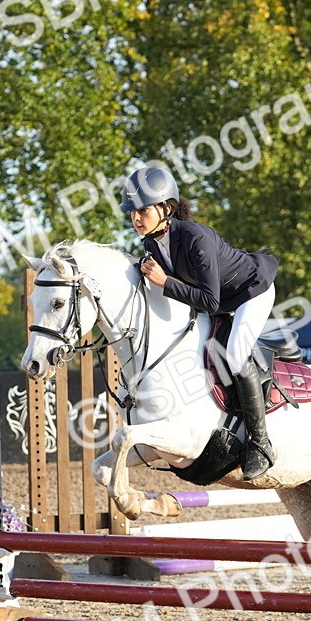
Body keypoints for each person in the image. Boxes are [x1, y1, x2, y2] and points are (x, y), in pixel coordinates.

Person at [119, 165, 279, 480]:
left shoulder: (196, 237)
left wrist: (164, 281)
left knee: (233, 354)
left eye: (143, 210)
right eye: (131, 212)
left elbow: (210, 301)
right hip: (219, 299)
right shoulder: (152, 242)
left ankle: (261, 444)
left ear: (166, 208)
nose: (136, 218)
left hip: (250, 292)